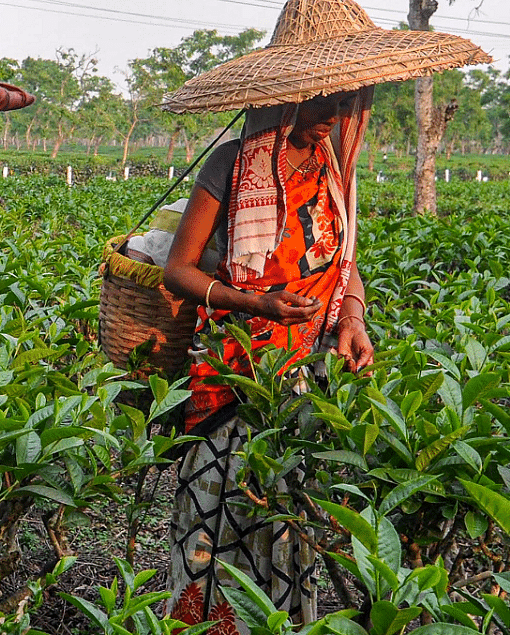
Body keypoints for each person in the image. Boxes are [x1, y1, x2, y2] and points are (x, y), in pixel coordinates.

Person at [163, 88, 375, 628]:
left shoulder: (335, 167)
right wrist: (256, 303)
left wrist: (352, 319)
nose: (330, 118)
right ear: (284, 102)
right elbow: (179, 271)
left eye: (342, 105)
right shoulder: (232, 162)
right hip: (233, 367)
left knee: (286, 520)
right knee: (215, 518)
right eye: (318, 104)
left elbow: (345, 260)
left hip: (305, 373)